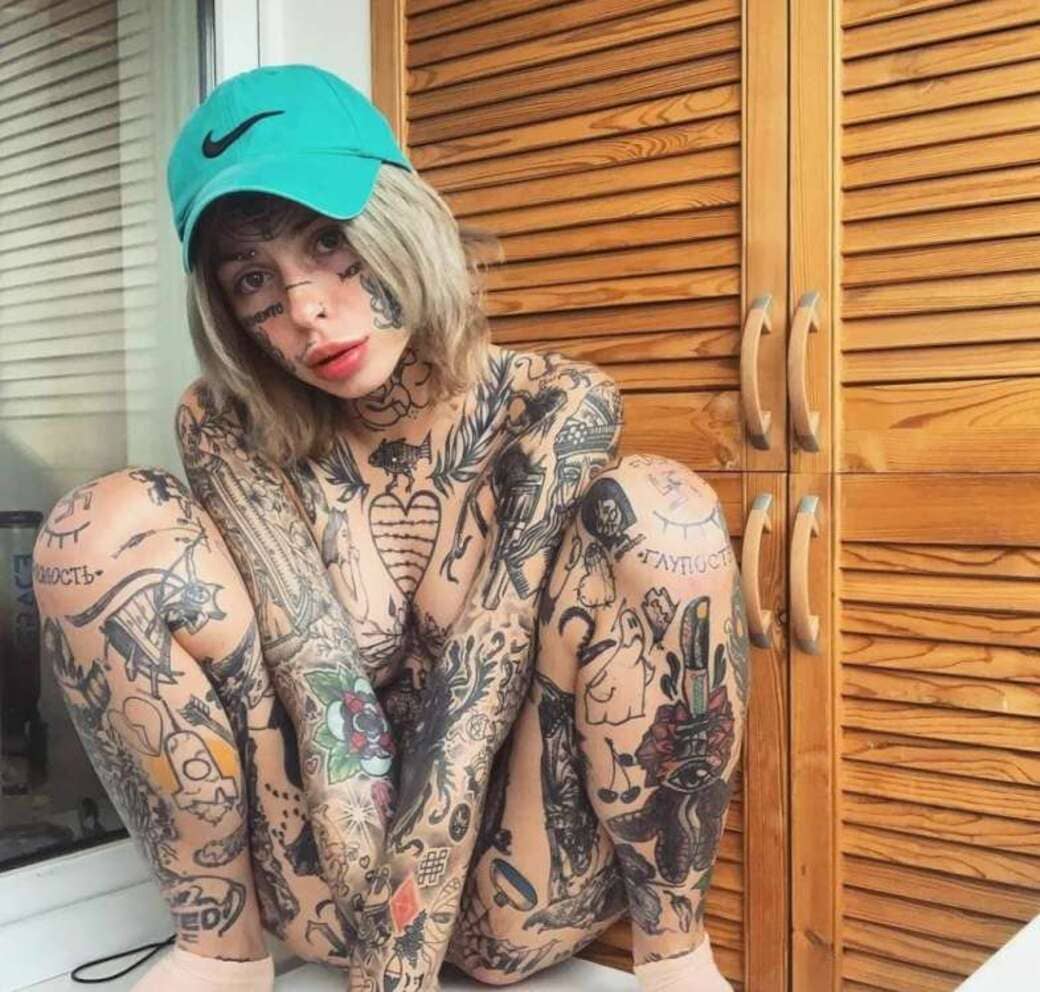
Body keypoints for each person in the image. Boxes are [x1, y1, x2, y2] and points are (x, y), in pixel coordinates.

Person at [33, 65, 748, 992]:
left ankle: (676, 953)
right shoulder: (230, 425)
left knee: (662, 507)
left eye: (329, 241)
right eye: (253, 279)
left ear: (399, 218)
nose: (303, 308)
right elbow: (324, 688)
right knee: (100, 525)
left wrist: (394, 977)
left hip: (525, 892)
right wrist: (380, 941)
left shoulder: (556, 405)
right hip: (329, 892)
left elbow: (474, 704)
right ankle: (220, 948)